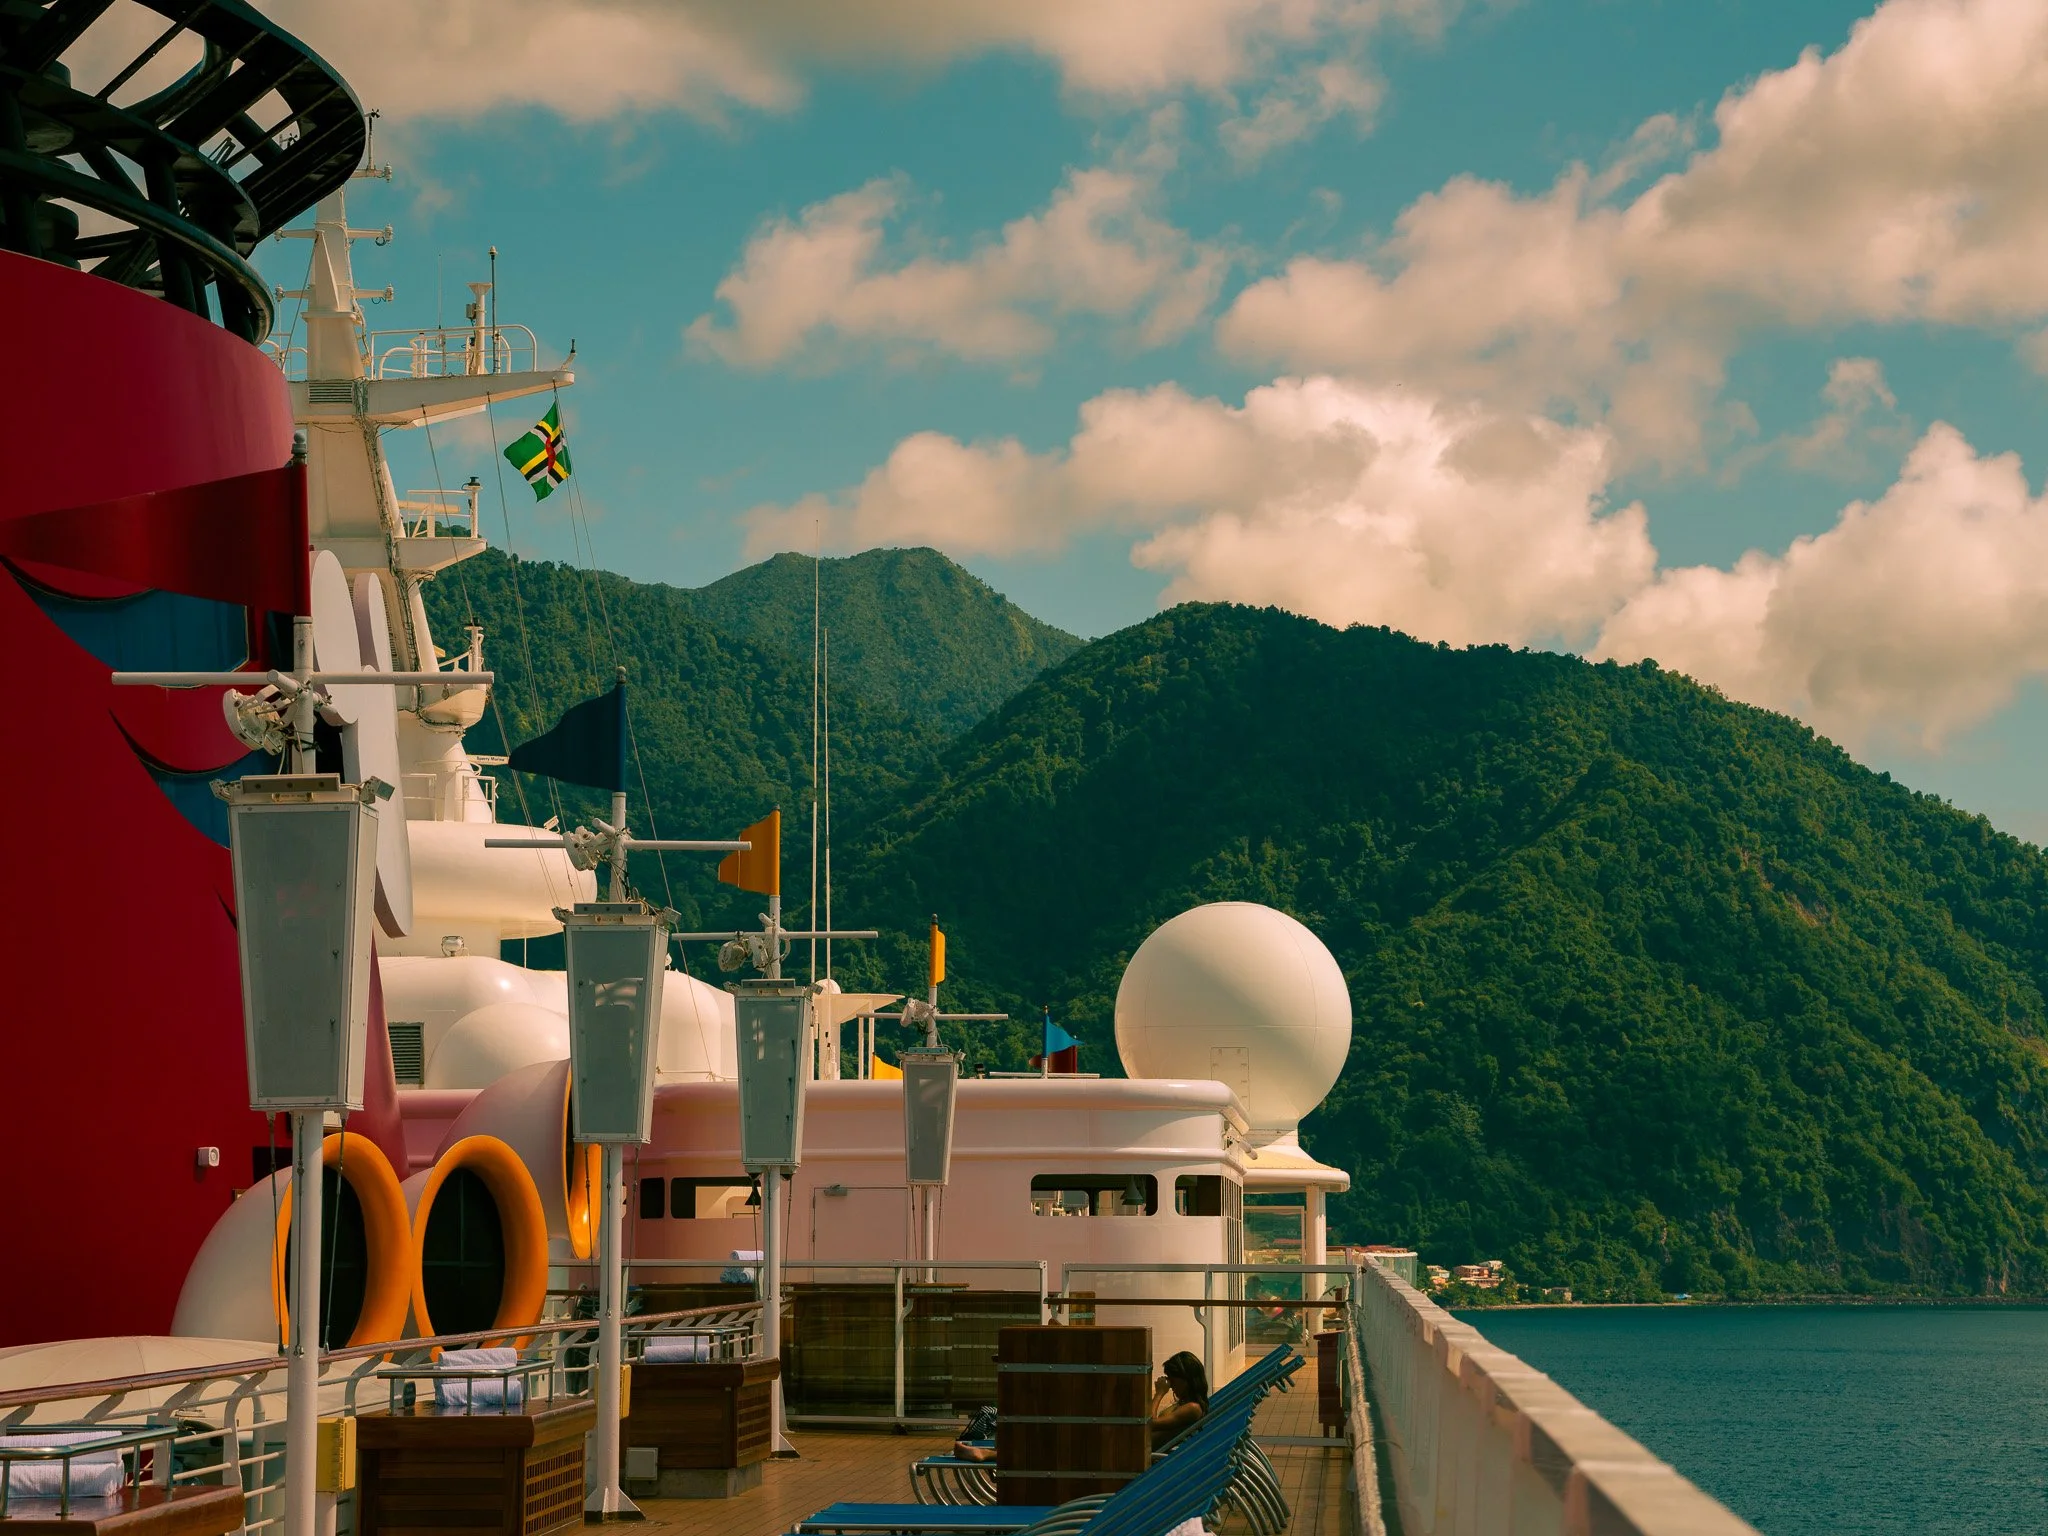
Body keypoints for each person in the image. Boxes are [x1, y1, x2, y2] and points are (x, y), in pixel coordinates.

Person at [1150, 1351, 1208, 1448]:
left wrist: (1159, 1393)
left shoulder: (1193, 1408)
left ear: (1185, 1380)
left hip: (1147, 1455)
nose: (1171, 1385)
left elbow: (1148, 1424)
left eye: (1172, 1380)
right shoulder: (1186, 1404)